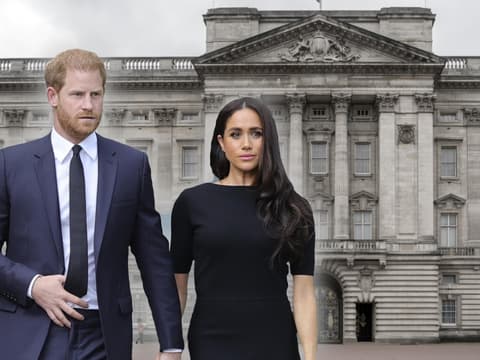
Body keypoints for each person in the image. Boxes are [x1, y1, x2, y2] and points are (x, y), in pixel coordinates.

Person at [0, 49, 183, 360]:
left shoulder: (131, 165)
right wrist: (33, 285)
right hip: (32, 326)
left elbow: (154, 260)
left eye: (96, 94)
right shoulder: (10, 164)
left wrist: (171, 344)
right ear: (52, 96)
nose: (88, 105)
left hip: (103, 332)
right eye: (77, 94)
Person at [171, 97, 317, 360]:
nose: (246, 144)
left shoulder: (295, 208)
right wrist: (170, 347)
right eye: (235, 134)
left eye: (256, 134)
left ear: (268, 140)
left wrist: (311, 357)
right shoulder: (191, 203)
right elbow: (177, 288)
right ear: (221, 143)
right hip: (211, 338)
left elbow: (304, 294)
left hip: (275, 341)